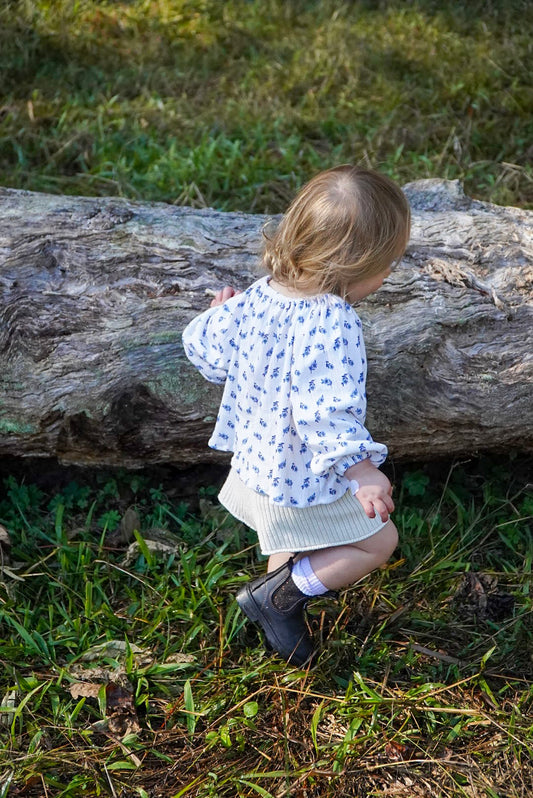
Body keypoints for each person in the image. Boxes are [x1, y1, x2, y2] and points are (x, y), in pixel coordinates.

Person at [182, 165, 411, 666]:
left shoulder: (260, 294)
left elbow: (206, 350)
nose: (389, 275)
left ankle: (276, 619)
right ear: (356, 263)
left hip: (261, 467)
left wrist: (217, 313)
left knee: (288, 542)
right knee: (378, 542)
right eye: (388, 263)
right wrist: (361, 470)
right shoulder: (333, 321)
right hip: (305, 474)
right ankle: (277, 599)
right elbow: (324, 411)